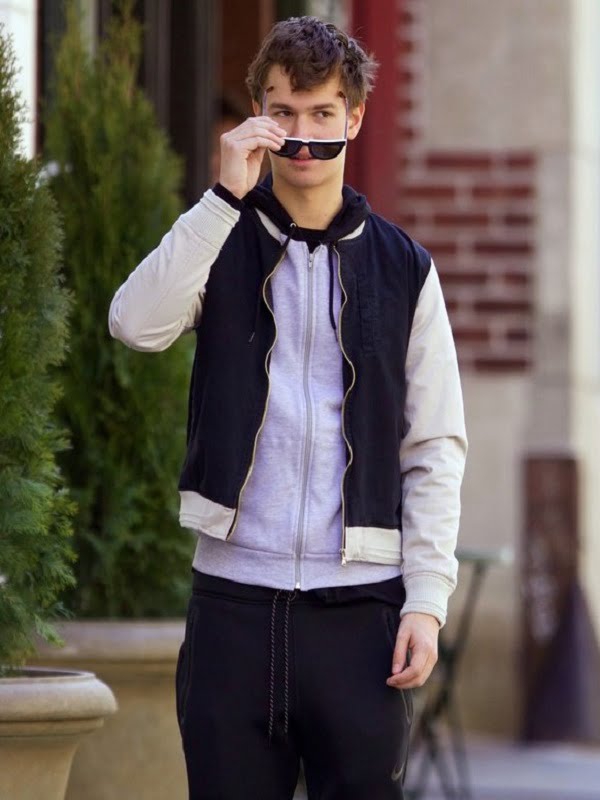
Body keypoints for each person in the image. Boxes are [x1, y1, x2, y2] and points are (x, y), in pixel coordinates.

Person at [108, 15, 467, 800]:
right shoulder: (218, 239)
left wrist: (427, 603)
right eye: (285, 113)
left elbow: (434, 446)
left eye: (322, 114)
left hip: (360, 617)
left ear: (355, 118)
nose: (303, 137)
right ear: (259, 116)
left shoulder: (406, 269)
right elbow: (134, 324)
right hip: (232, 610)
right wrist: (221, 198)